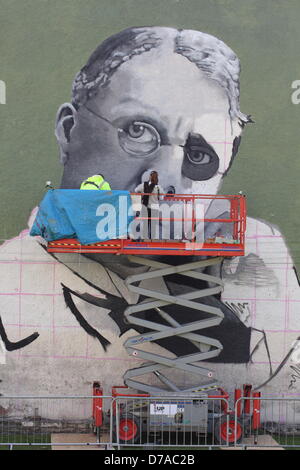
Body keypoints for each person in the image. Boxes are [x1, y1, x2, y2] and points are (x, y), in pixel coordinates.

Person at [0, 27, 299, 401]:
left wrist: (234, 338)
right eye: (139, 132)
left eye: (199, 154)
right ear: (69, 131)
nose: (165, 182)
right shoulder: (8, 285)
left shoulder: (262, 258)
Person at [134, 170, 164, 239]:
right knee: (153, 225)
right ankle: (152, 240)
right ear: (157, 178)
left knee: (145, 224)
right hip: (155, 207)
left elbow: (136, 190)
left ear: (150, 177)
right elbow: (161, 198)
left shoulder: (144, 185)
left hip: (145, 206)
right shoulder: (158, 187)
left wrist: (143, 193)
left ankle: (145, 239)